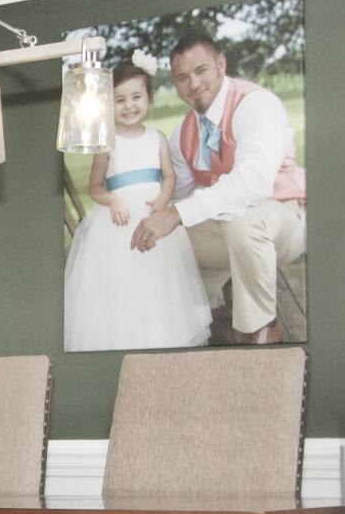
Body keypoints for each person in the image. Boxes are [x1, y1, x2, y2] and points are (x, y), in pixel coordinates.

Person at [134, 33, 307, 345]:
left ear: (220, 64)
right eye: (182, 78)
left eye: (201, 71)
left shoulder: (255, 104)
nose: (194, 84)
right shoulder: (182, 134)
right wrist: (153, 218)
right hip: (226, 228)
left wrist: (177, 213)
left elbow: (253, 183)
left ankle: (261, 330)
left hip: (282, 217)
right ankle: (205, 316)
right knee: (164, 240)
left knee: (245, 224)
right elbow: (182, 196)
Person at [63, 63, 210, 351]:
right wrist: (113, 200)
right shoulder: (107, 143)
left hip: (153, 219)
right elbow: (95, 187)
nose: (129, 106)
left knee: (159, 281)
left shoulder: (156, 138)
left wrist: (163, 200)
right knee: (124, 282)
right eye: (120, 100)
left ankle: (162, 338)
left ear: (148, 98)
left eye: (136, 97)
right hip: (118, 223)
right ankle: (127, 338)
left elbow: (169, 176)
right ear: (109, 105)